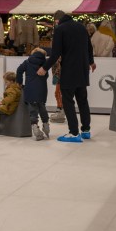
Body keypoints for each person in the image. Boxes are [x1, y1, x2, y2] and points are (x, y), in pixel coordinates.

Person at [39, 11, 95, 143]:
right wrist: (91, 62)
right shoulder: (81, 27)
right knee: (82, 100)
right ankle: (86, 130)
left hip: (69, 70)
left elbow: (55, 54)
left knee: (68, 101)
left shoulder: (60, 29)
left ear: (57, 21)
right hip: (83, 70)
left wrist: (44, 68)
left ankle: (74, 133)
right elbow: (89, 47)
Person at [17, 47, 51, 141]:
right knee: (42, 106)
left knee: (32, 109)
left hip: (30, 88)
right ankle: (46, 125)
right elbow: (46, 75)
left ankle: (35, 127)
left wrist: (19, 82)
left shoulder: (27, 62)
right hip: (42, 89)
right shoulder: (45, 63)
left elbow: (19, 70)